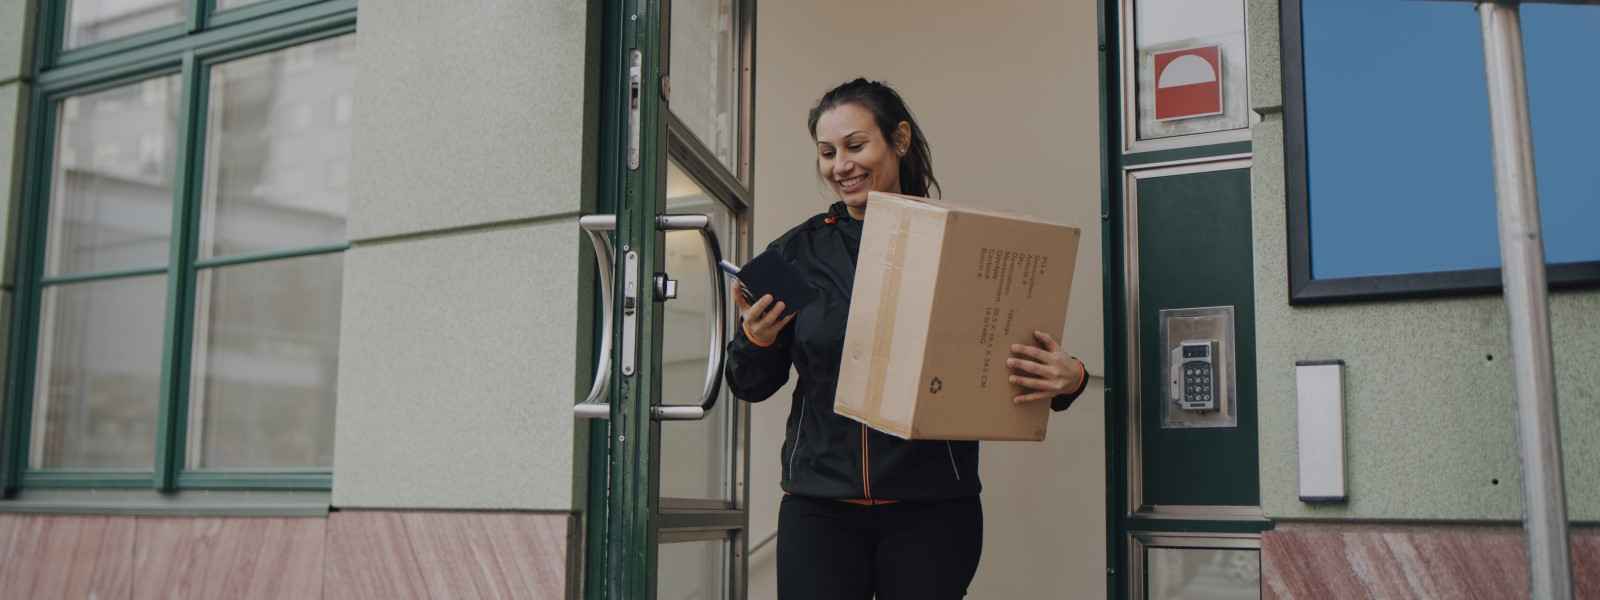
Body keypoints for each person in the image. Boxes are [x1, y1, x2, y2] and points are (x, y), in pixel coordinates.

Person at [724, 78, 1090, 600]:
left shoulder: (965, 238)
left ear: (897, 140)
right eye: (827, 153)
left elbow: (1008, 352)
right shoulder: (795, 254)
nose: (840, 166)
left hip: (934, 509)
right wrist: (754, 341)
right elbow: (750, 383)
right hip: (819, 506)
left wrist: (1071, 377)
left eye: (855, 146)